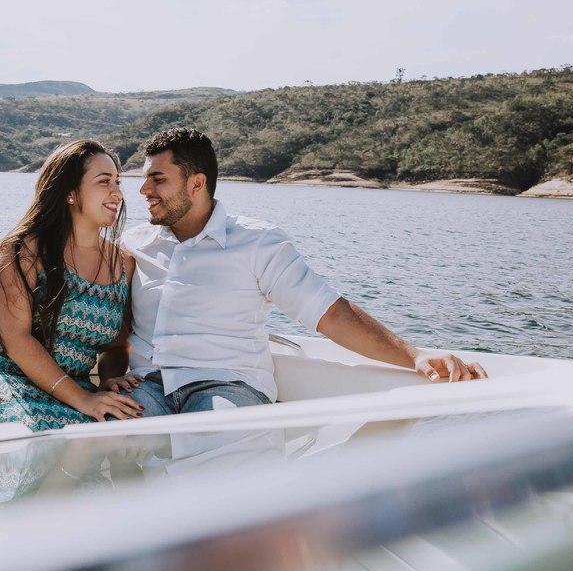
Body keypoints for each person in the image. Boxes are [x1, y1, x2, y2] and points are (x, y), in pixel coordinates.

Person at [114, 127, 487, 418]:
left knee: (218, 451)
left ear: (196, 183)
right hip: (147, 385)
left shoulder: (259, 244)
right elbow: (109, 320)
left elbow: (330, 313)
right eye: (146, 178)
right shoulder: (135, 244)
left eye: (158, 179)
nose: (143, 189)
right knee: (110, 436)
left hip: (226, 387)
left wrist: (415, 356)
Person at [0, 139, 144, 431]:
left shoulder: (122, 263)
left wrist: (110, 378)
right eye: (104, 182)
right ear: (70, 193)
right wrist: (83, 400)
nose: (117, 192)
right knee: (30, 431)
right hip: (1, 376)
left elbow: (116, 346)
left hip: (72, 388)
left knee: (114, 428)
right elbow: (16, 340)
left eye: (117, 181)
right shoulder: (22, 251)